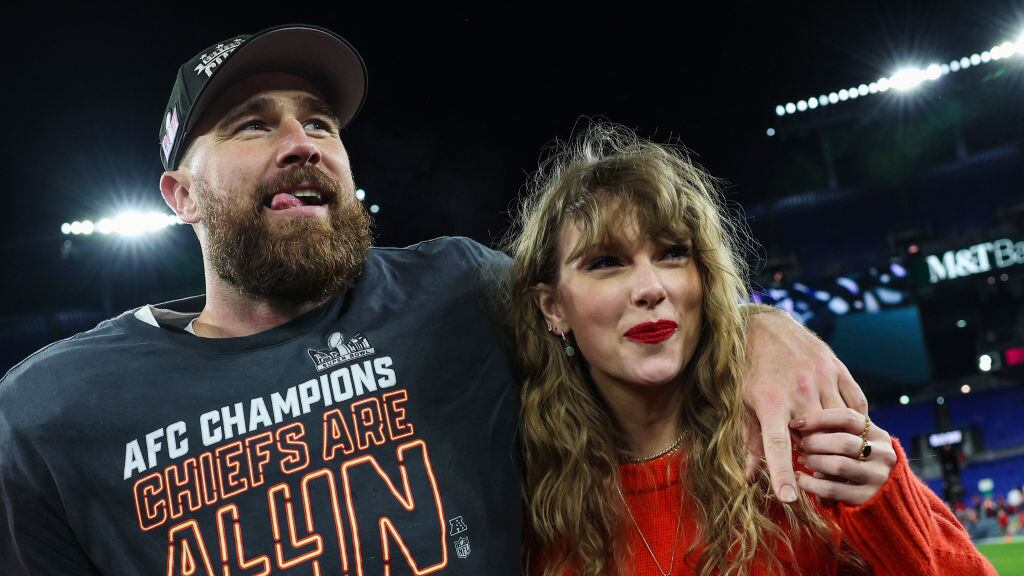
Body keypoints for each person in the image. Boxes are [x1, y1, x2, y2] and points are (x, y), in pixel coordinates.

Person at [1, 25, 864, 575]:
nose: (302, 141)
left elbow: (622, 305)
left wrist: (760, 326)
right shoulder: (52, 413)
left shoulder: (459, 290)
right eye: (253, 123)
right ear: (178, 195)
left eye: (322, 123)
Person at [505, 122, 997, 575]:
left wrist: (887, 507)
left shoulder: (800, 444)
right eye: (607, 262)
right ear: (553, 308)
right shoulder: (525, 499)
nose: (650, 288)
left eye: (673, 253)